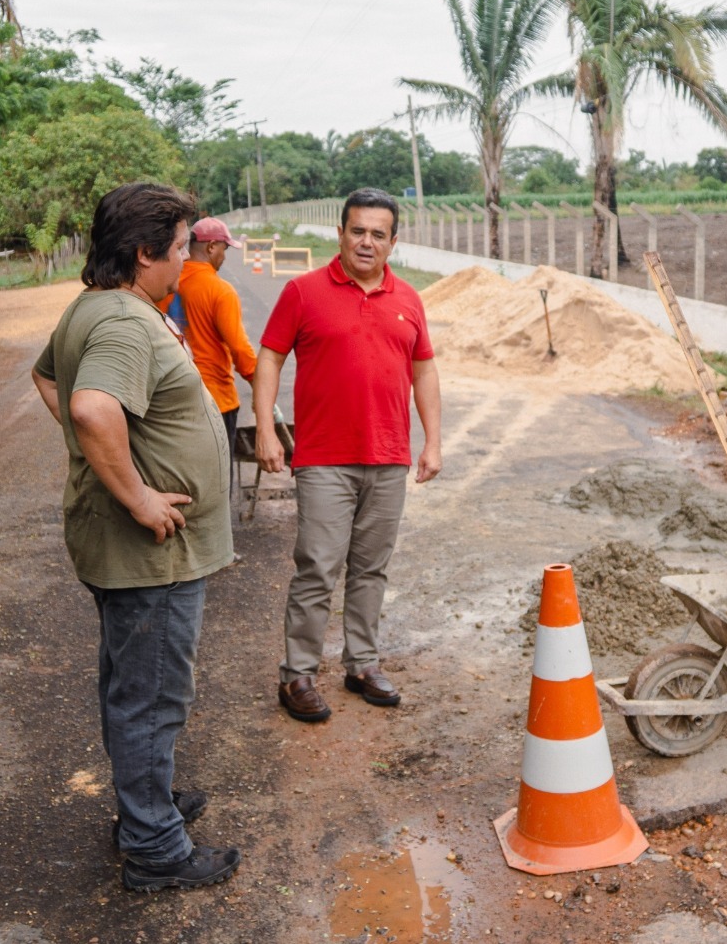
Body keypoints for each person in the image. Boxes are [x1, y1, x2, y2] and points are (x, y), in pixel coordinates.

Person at [30, 182, 241, 892]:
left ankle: (146, 805)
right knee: (151, 694)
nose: (186, 262)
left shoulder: (96, 306)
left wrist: (116, 458)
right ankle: (153, 845)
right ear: (145, 251)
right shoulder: (123, 320)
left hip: (132, 553)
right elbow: (89, 407)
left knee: (133, 683)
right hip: (150, 554)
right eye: (180, 248)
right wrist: (138, 492)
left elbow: (47, 376)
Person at [252, 187, 442, 723]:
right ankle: (298, 675)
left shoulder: (408, 300)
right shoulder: (303, 292)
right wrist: (266, 428)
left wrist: (433, 439)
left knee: (371, 569)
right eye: (357, 230)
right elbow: (269, 359)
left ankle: (361, 664)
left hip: (388, 457)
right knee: (317, 567)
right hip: (324, 459)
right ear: (339, 233)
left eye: (378, 234)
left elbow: (424, 370)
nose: (366, 241)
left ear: (393, 242)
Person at [163, 217, 256, 444]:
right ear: (211, 246)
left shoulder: (163, 285)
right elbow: (239, 348)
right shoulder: (220, 291)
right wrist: (259, 383)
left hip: (169, 400)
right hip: (215, 399)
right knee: (220, 477)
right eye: (224, 249)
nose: (224, 257)